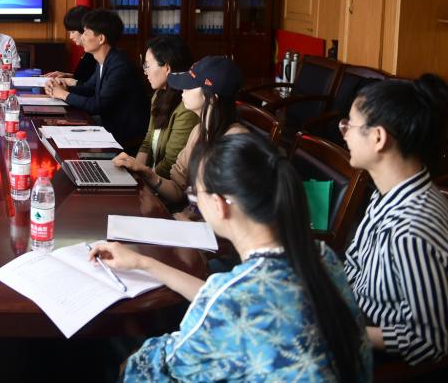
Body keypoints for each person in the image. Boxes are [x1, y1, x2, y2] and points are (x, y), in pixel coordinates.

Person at [92, 133, 371, 381]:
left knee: (110, 349)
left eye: (196, 193)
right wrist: (143, 263)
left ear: (219, 205)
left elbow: (153, 368)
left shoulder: (231, 301)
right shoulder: (322, 257)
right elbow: (225, 299)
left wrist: (131, 360)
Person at [341, 74, 448, 365]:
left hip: (387, 355)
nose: (343, 133)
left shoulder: (412, 231)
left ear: (378, 138)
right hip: (357, 314)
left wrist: (347, 332)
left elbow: (430, 340)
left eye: (350, 125)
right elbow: (355, 265)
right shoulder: (387, 192)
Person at [115, 55, 248, 209]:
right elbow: (178, 190)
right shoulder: (198, 132)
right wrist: (145, 172)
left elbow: (229, 212)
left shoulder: (236, 144)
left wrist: (185, 217)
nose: (182, 90)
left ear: (212, 98)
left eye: (190, 85)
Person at [44, 8, 149, 148]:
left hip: (123, 134)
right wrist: (62, 88)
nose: (82, 37)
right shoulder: (104, 61)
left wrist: (63, 94)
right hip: (107, 125)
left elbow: (97, 105)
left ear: (101, 39)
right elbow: (88, 89)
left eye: (86, 33)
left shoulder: (120, 65)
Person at [122, 35, 198, 179]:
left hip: (166, 183)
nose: (145, 71)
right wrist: (135, 174)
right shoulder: (159, 95)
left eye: (147, 65)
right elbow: (147, 142)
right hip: (151, 177)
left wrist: (143, 178)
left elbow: (170, 164)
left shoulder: (187, 107)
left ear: (167, 68)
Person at [44, 4, 95, 84]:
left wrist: (68, 81)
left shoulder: (95, 54)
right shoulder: (88, 53)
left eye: (73, 32)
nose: (71, 37)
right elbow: (85, 78)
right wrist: (66, 75)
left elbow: (92, 86)